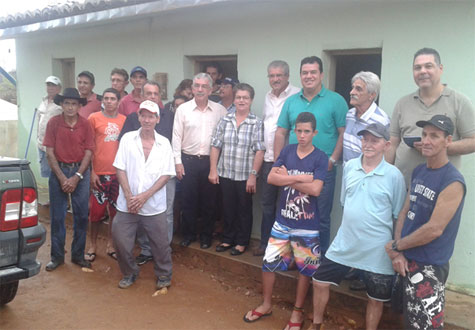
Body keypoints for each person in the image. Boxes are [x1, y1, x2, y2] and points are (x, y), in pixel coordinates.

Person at [311, 123, 406, 330]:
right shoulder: (350, 166)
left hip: (378, 248)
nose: (368, 144)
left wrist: (397, 249)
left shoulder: (394, 176)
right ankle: (316, 324)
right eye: (365, 139)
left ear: (386, 145)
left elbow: (398, 215)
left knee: (375, 298)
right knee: (319, 281)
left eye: (375, 140)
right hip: (346, 241)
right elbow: (345, 202)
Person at [244, 112, 327, 330]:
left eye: (306, 131)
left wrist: (287, 178)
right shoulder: (288, 151)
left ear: (314, 132)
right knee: (268, 263)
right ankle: (266, 304)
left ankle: (297, 313)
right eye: (298, 131)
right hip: (282, 222)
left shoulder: (320, 157)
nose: (301, 135)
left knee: (305, 270)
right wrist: (302, 177)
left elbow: (316, 189)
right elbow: (272, 178)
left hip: (307, 227)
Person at [385, 115, 466, 329]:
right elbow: (404, 212)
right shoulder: (419, 171)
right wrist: (398, 252)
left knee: (424, 326)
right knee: (405, 320)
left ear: (448, 141)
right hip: (405, 260)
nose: (427, 140)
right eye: (424, 134)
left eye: (435, 136)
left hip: (429, 267)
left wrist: (396, 246)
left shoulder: (453, 181)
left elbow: (434, 229)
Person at [275, 56, 348, 254]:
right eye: (305, 73)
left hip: (322, 171)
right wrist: (277, 164)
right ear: (300, 76)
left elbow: (344, 133)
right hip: (293, 171)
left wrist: (332, 159)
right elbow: (281, 133)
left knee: (320, 218)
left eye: (313, 72)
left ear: (321, 75)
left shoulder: (336, 100)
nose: (309, 76)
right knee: (292, 214)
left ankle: (318, 262)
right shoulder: (290, 102)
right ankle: (294, 257)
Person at [386, 47, 475, 186]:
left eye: (428, 66)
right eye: (417, 68)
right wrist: (384, 175)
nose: (422, 71)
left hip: (441, 188)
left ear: (440, 69)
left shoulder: (459, 101)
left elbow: (473, 141)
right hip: (402, 186)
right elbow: (392, 143)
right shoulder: (402, 103)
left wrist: (439, 147)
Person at [111, 100, 176, 289]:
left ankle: (164, 274)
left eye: (151, 116)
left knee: (160, 244)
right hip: (127, 203)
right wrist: (130, 196)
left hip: (154, 204)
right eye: (143, 115)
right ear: (138, 117)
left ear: (157, 119)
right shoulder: (127, 139)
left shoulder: (164, 143)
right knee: (120, 239)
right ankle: (130, 272)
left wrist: (144, 197)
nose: (147, 120)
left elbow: (166, 175)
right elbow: (119, 168)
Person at [209, 83, 265, 255]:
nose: (241, 100)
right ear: (234, 99)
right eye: (239, 97)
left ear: (251, 100)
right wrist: (213, 169)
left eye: (245, 97)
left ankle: (241, 242)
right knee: (227, 208)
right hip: (225, 173)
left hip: (245, 176)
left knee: (244, 210)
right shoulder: (225, 120)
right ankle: (227, 239)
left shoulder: (256, 123)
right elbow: (215, 146)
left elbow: (259, 151)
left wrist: (253, 176)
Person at [172, 73, 227, 249]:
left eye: (204, 86)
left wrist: (218, 166)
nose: (200, 89)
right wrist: (178, 162)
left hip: (210, 163)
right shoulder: (183, 110)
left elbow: (225, 139)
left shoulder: (220, 111)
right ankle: (188, 234)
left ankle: (206, 237)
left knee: (209, 202)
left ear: (211, 89)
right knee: (188, 200)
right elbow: (176, 137)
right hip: (188, 161)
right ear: (192, 89)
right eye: (197, 86)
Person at [43, 88, 94, 271]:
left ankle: (78, 255)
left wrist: (77, 177)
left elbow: (89, 151)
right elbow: (49, 152)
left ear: (79, 106)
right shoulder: (53, 123)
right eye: (66, 103)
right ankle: (57, 257)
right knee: (58, 217)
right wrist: (63, 177)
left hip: (80, 173)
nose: (70, 107)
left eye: (74, 103)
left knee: (81, 216)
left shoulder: (86, 124)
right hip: (59, 172)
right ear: (61, 105)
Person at [254, 60, 300, 257]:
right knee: (267, 205)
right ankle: (266, 244)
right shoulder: (267, 97)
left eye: (279, 75)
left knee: (287, 207)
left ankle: (284, 249)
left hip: (289, 162)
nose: (275, 79)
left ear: (287, 77)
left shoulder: (297, 95)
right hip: (268, 160)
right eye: (271, 76)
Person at [85, 88, 126, 262]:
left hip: (118, 175)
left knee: (115, 213)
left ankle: (111, 245)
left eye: (113, 99)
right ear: (103, 101)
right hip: (99, 173)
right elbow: (88, 146)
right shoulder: (93, 118)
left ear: (118, 101)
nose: (109, 101)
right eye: (106, 98)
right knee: (96, 213)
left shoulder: (124, 120)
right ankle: (92, 245)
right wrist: (92, 171)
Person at [343, 71, 390, 164]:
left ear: (372, 95)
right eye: (353, 88)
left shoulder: (381, 120)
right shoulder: (349, 114)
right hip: (347, 175)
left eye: (358, 89)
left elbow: (386, 154)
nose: (352, 92)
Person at [37, 76, 62, 184]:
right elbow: (39, 121)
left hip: (55, 146)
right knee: (47, 174)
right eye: (48, 85)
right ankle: (50, 198)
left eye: (53, 85)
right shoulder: (43, 102)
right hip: (41, 144)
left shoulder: (61, 103)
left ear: (59, 88)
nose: (50, 88)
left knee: (56, 173)